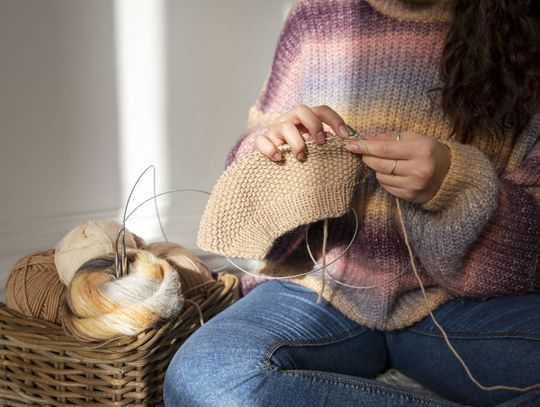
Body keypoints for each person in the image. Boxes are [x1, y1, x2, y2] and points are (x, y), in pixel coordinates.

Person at [164, 0, 540, 405]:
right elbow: (246, 190)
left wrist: (456, 183)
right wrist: (273, 150)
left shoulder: (527, 30)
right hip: (316, 286)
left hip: (463, 306)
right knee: (202, 380)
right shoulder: (317, 15)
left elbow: (532, 252)